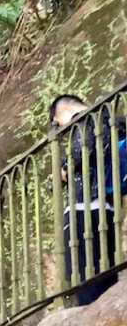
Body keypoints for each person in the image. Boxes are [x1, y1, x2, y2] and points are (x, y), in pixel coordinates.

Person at [51, 94, 124, 305]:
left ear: (60, 113)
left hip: (85, 207)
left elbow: (82, 149)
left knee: (85, 277)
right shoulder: (110, 120)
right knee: (104, 274)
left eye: (57, 124)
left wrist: (64, 168)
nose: (61, 129)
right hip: (106, 206)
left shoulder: (85, 121)